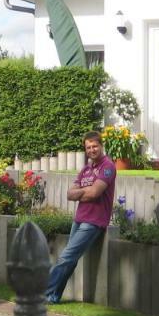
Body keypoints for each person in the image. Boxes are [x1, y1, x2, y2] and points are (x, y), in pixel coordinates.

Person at [45, 130, 117, 304]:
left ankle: (45, 293)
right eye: (88, 147)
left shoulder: (107, 167)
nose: (92, 150)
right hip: (79, 219)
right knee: (70, 259)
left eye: (95, 146)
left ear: (101, 146)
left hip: (94, 221)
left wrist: (82, 192)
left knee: (67, 256)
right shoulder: (86, 169)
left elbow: (95, 193)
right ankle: (53, 296)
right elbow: (70, 194)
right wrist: (86, 192)